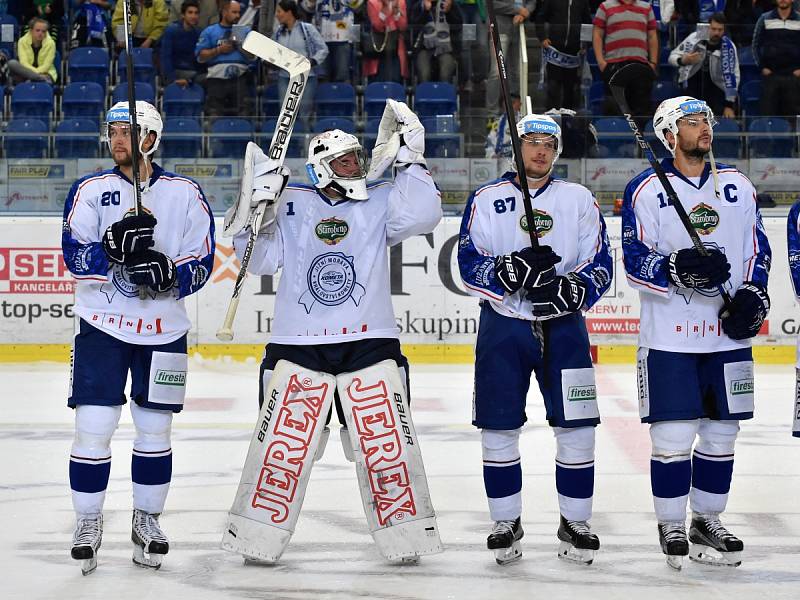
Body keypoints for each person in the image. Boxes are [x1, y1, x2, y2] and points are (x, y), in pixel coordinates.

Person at [225, 100, 442, 562]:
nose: (356, 166)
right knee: (285, 448)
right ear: (322, 167)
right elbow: (259, 262)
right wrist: (251, 210)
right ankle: (257, 536)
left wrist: (412, 160)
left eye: (357, 159)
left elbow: (424, 216)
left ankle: (404, 537)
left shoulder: (381, 199)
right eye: (345, 160)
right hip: (298, 344)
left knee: (386, 445)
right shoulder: (289, 202)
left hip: (370, 341)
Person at [61, 100, 215, 575]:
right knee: (94, 426)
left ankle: (146, 519)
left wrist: (171, 274)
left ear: (151, 137)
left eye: (128, 131)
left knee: (154, 429)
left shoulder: (184, 193)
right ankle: (88, 522)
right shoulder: (90, 189)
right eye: (113, 131)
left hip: (164, 333)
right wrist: (109, 252)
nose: (118, 140)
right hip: (102, 328)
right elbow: (72, 256)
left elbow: (203, 261)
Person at [621, 96, 771, 570]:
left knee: (723, 432)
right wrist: (674, 270)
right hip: (669, 338)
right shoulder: (646, 188)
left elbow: (757, 250)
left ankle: (707, 518)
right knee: (673, 435)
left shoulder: (738, 186)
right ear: (669, 135)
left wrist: (753, 294)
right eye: (690, 122)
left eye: (705, 119)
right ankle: (670, 523)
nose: (703, 127)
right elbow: (634, 260)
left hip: (727, 337)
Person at [458, 113, 613, 566]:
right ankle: (505, 521)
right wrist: (507, 272)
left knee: (578, 427)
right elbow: (469, 262)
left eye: (549, 142)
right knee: (499, 427)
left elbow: (600, 260)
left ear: (558, 150)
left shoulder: (578, 198)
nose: (540, 150)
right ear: (515, 146)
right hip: (504, 325)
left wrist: (573, 289)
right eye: (531, 142)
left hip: (565, 327)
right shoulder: (487, 198)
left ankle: (575, 521)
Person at [592, 0, 659, 123]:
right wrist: (601, 62)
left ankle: (640, 141)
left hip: (640, 66)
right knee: (615, 110)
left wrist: (653, 63)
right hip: (614, 66)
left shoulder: (646, 7)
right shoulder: (605, 6)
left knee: (641, 110)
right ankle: (615, 141)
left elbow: (652, 36)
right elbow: (597, 34)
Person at [669, 12, 739, 119]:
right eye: (713, 29)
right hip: (692, 88)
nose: (716, 33)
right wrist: (683, 60)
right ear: (708, 27)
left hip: (717, 92)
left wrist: (729, 105)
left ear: (724, 30)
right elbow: (672, 57)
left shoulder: (729, 46)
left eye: (720, 30)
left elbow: (734, 76)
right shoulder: (695, 38)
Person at [272, 0, 328, 130]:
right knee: (285, 115)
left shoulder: (307, 29)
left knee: (304, 114)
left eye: (279, 12)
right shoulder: (279, 32)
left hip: (306, 78)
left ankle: (306, 145)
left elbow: (323, 49)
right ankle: (289, 147)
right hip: (284, 77)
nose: (277, 15)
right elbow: (273, 51)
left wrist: (313, 61)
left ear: (289, 12)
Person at [196, 0, 257, 119]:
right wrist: (218, 50)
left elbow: (253, 56)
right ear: (224, 12)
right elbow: (200, 57)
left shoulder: (245, 31)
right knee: (215, 115)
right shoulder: (210, 31)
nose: (238, 16)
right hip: (216, 79)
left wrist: (239, 45)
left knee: (244, 114)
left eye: (239, 12)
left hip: (240, 78)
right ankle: (215, 138)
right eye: (234, 12)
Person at [534, 0, 593, 112]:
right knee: (553, 87)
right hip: (554, 50)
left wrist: (586, 44)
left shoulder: (582, 2)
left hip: (573, 52)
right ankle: (550, 120)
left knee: (570, 89)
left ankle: (568, 122)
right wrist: (542, 37)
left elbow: (588, 22)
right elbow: (540, 17)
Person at [484, 0, 534, 121]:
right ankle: (492, 114)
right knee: (496, 71)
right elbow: (492, 4)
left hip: (518, 30)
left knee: (516, 71)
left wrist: (525, 12)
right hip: (499, 28)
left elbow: (532, 2)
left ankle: (513, 111)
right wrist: (518, 10)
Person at [752, 0, 800, 118]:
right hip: (770, 76)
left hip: (793, 77)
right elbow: (755, 45)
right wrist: (762, 67)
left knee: (792, 118)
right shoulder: (765, 18)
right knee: (767, 116)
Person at [302, 0, 362, 83]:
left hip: (346, 37)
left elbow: (358, 5)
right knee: (322, 77)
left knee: (343, 76)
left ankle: (342, 94)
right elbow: (307, 7)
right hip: (320, 37)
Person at [411, 0, 462, 84]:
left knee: (445, 74)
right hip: (424, 48)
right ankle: (425, 96)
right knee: (424, 74)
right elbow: (413, 24)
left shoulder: (449, 3)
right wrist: (425, 11)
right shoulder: (419, 5)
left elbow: (458, 25)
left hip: (446, 49)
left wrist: (449, 12)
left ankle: (445, 96)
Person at [160, 0, 204, 86]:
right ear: (183, 15)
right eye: (190, 13)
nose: (193, 16)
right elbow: (166, 58)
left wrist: (190, 80)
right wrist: (173, 79)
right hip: (175, 71)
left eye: (196, 13)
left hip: (193, 73)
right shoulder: (171, 31)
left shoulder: (199, 33)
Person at [7, 17, 58, 84]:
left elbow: (46, 65)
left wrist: (33, 75)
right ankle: (39, 79)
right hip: (27, 73)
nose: (40, 33)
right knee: (12, 63)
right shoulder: (22, 41)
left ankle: (33, 80)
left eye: (43, 31)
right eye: (37, 30)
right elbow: (24, 63)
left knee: (29, 82)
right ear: (31, 30)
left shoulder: (51, 43)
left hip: (46, 73)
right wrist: (36, 75)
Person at [484, 93, 520, 159]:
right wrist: (492, 155)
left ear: (519, 104)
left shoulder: (525, 122)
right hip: (501, 162)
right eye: (506, 104)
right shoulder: (497, 123)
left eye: (513, 103)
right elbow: (489, 142)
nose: (508, 106)